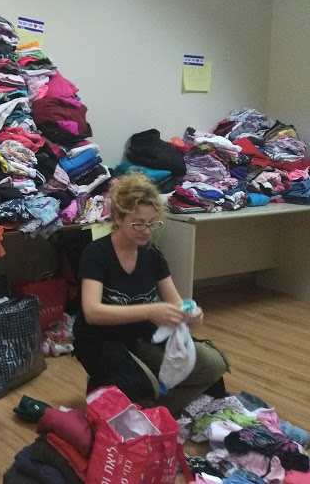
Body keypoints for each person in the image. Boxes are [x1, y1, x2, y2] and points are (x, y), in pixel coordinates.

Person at [73, 172, 229, 415]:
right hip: (98, 339)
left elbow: (177, 303)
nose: (146, 231)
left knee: (213, 365)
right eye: (138, 223)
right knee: (144, 385)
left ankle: (141, 406)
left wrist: (190, 312)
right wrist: (150, 310)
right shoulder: (96, 254)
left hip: (138, 336)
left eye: (152, 223)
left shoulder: (152, 254)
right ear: (119, 217)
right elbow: (92, 312)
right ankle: (126, 394)